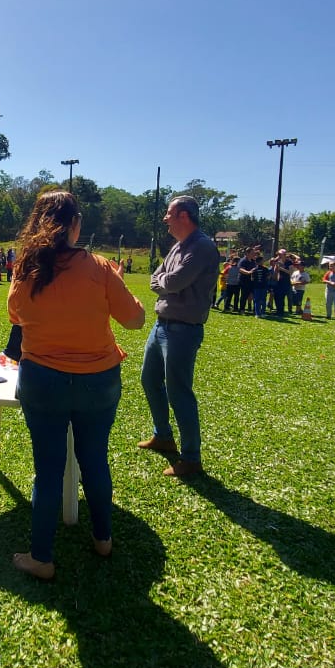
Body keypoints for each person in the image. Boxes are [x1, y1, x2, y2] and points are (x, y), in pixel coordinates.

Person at [7, 191, 145, 579]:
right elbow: (135, 320)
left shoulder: (25, 269)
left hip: (42, 382)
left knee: (48, 470)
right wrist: (117, 284)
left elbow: (15, 315)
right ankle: (103, 539)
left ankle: (42, 557)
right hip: (97, 381)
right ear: (75, 224)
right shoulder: (100, 268)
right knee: (94, 460)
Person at [138, 195, 220, 478]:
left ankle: (191, 458)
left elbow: (172, 281)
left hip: (183, 330)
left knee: (179, 391)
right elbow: (158, 278)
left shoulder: (202, 247)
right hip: (162, 326)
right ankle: (163, 435)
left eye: (169, 214)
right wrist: (163, 282)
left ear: (184, 216)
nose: (165, 219)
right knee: (149, 380)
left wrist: (163, 282)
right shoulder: (178, 247)